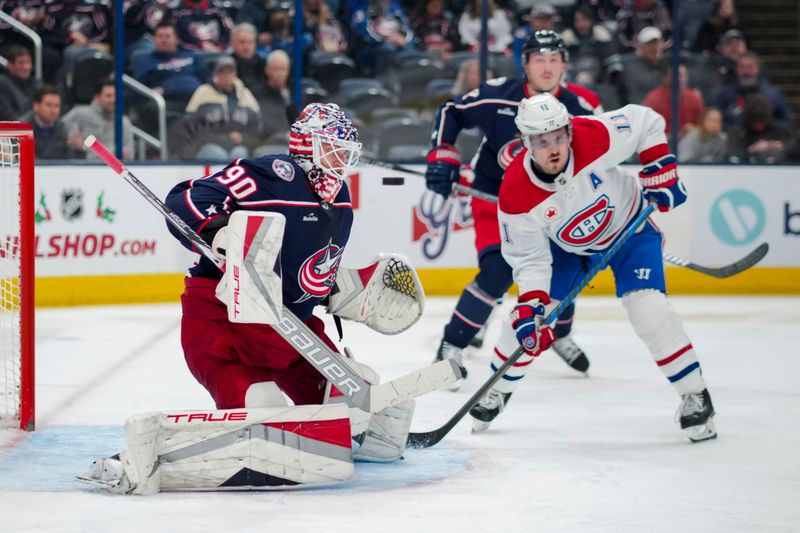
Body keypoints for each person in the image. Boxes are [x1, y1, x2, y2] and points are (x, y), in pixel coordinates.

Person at [79, 103, 432, 493]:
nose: (342, 159)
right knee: (261, 405)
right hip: (223, 323)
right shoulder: (271, 174)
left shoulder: (342, 200)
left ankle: (349, 440)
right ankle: (170, 454)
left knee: (355, 393)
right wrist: (218, 231)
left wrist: (342, 293)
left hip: (291, 331)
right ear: (306, 146)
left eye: (345, 150)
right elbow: (185, 199)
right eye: (332, 147)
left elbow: (312, 270)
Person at [469, 93, 716, 444]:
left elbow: (645, 121)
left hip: (629, 228)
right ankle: (497, 388)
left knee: (647, 308)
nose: (553, 148)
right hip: (568, 248)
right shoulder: (515, 193)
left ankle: (695, 393)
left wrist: (659, 165)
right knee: (527, 319)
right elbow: (530, 260)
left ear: (569, 131)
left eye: (558, 136)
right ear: (525, 142)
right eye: (541, 141)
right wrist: (533, 302)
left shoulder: (593, 135)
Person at [425, 30, 595, 389]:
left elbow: (601, 158)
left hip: (553, 206)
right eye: (539, 60)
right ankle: (450, 345)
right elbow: (451, 111)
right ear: (525, 63)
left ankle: (559, 333)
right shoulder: (499, 96)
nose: (547, 68)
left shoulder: (582, 106)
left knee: (565, 268)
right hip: (496, 199)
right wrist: (443, 155)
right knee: (498, 270)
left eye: (554, 60)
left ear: (565, 63)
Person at [62, 80, 134, 160]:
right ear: (97, 97)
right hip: (82, 169)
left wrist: (85, 148)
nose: (113, 100)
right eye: (108, 96)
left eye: (116, 95)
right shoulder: (79, 114)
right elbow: (64, 138)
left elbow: (129, 154)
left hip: (113, 171)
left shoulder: (124, 122)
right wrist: (114, 153)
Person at [641, 63, 705, 137]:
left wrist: (694, 129)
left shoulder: (694, 97)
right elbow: (645, 127)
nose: (680, 79)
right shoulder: (653, 98)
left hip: (688, 142)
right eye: (677, 75)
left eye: (683, 76)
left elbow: (704, 125)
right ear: (665, 78)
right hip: (661, 141)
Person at [19, 86, 77, 160]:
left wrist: (79, 150)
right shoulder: (22, 128)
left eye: (57, 106)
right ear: (36, 106)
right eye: (48, 105)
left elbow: (72, 161)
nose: (53, 110)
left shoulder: (65, 129)